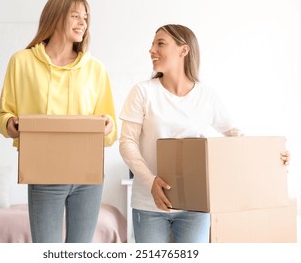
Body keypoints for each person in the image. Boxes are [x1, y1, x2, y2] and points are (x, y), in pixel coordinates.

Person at [119, 24, 290, 243]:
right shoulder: (143, 92)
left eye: (160, 43)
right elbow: (127, 143)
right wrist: (151, 181)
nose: (151, 50)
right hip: (149, 206)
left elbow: (236, 138)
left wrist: (272, 157)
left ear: (183, 50)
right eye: (152, 44)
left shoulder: (207, 97)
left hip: (196, 207)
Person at [0, 0, 117, 243]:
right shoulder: (22, 62)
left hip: (88, 177)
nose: (83, 22)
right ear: (55, 18)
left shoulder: (95, 69)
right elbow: (5, 114)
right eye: (75, 16)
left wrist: (107, 126)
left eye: (86, 17)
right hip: (44, 173)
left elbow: (111, 127)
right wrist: (13, 125)